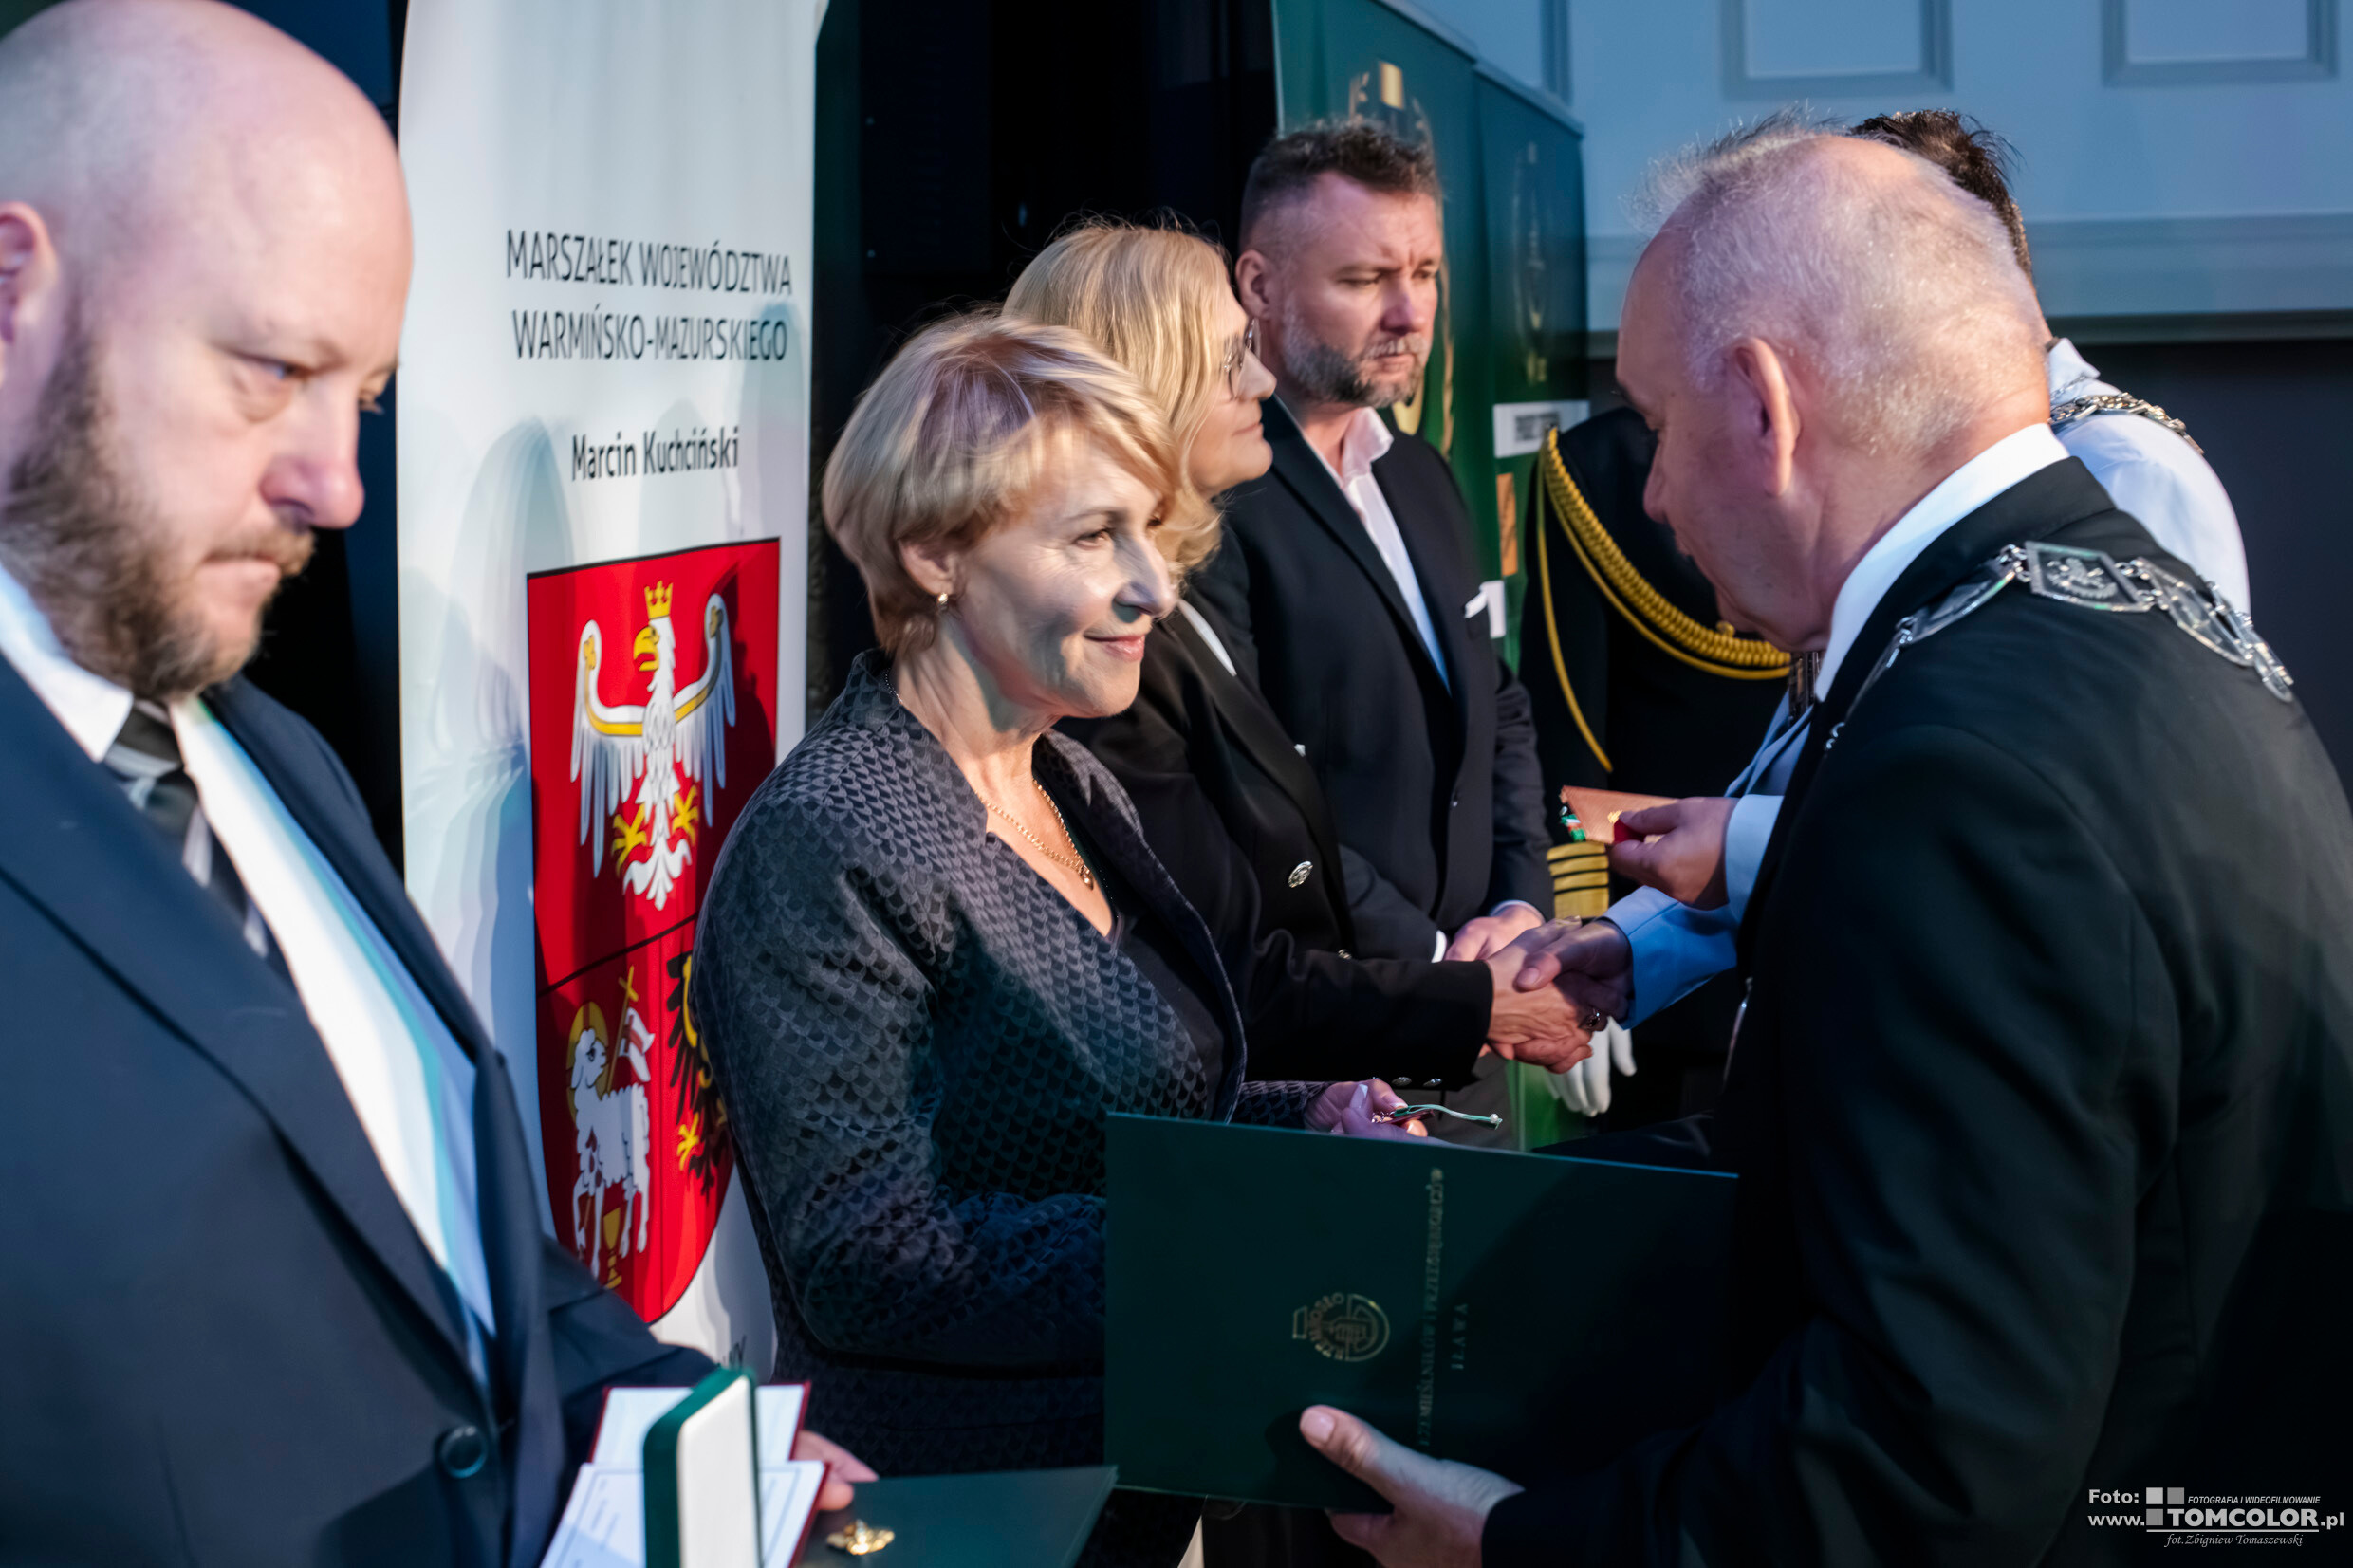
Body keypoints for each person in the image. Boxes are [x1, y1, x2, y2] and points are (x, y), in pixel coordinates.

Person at [1292, 119, 2353, 1564]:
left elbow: (1926, 1455)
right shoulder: (2096, 601)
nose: (1652, 494)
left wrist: (1519, 1545)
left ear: (1765, 407)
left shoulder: (1959, 770)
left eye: (1658, 425)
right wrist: (1481, 1210)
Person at [0, 4, 865, 1561]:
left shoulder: (273, 758)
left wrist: (667, 1424)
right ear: (13, 290)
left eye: (367, 399)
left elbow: (438, 1235)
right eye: (271, 368)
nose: (337, 484)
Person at [694, 312, 1414, 1568]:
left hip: (1131, 1492)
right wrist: (1245, 1231)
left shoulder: (1068, 777)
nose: (1152, 586)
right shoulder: (833, 836)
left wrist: (1305, 1123)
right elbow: (866, 1255)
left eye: (1148, 529)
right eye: (1092, 537)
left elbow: (1110, 1118)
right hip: (967, 1525)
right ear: (934, 553)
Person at [1556, 108, 2260, 1111]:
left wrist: (1747, 850)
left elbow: (2079, 845)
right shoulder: (1908, 488)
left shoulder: (2119, 473)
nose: (1658, 494)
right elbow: (1818, 754)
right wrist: (1634, 946)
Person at [1010, 221, 1594, 1094]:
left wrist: (1511, 924)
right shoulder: (1100, 650)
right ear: (1139, 391)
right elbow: (1219, 972)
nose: (1259, 378)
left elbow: (1492, 711)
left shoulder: (1176, 606)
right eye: (1229, 357)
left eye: (1426, 272)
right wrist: (1475, 999)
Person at [1197, 121, 1552, 972]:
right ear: (1259, 286)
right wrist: (1439, 968)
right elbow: (1244, 791)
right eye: (1364, 279)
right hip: (1335, 1007)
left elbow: (1497, 707)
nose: (1411, 313)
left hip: (1483, 978)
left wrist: (1520, 909)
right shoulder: (1208, 503)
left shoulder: (1423, 472)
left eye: (1425, 273)